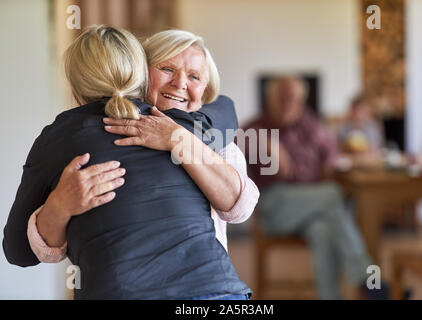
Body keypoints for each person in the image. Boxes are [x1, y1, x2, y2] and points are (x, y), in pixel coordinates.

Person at [3, 26, 258, 300]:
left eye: (195, 76)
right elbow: (226, 108)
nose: (181, 83)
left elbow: (240, 207)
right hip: (214, 292)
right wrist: (60, 205)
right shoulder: (201, 126)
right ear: (141, 74)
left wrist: (177, 138)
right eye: (167, 69)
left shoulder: (59, 137)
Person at [243, 76, 384, 300]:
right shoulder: (255, 127)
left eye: (295, 99)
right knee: (333, 194)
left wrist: (331, 160)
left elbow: (332, 151)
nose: (290, 104)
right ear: (270, 99)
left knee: (323, 231)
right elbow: (234, 147)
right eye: (283, 98)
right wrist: (266, 143)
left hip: (312, 206)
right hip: (275, 208)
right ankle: (369, 280)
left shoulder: (308, 123)